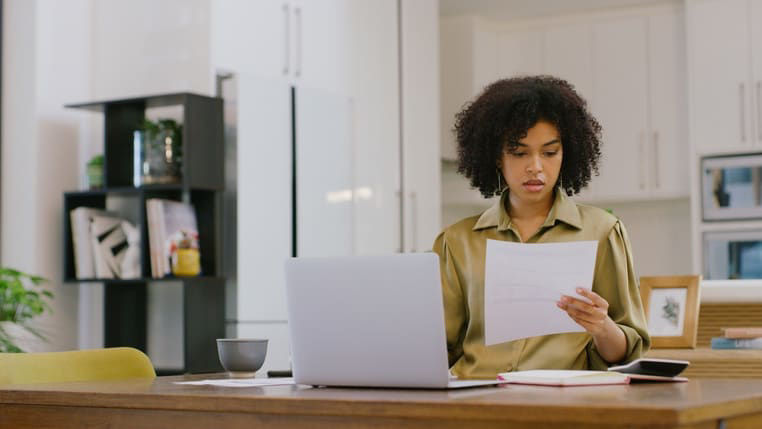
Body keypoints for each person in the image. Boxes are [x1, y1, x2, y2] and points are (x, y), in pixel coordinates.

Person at [433, 75, 650, 379]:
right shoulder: (457, 241)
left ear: (567, 153)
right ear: (497, 157)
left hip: (562, 405)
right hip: (476, 403)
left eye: (549, 152)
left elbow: (625, 355)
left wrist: (602, 327)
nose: (535, 166)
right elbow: (437, 348)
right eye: (519, 153)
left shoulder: (603, 232)